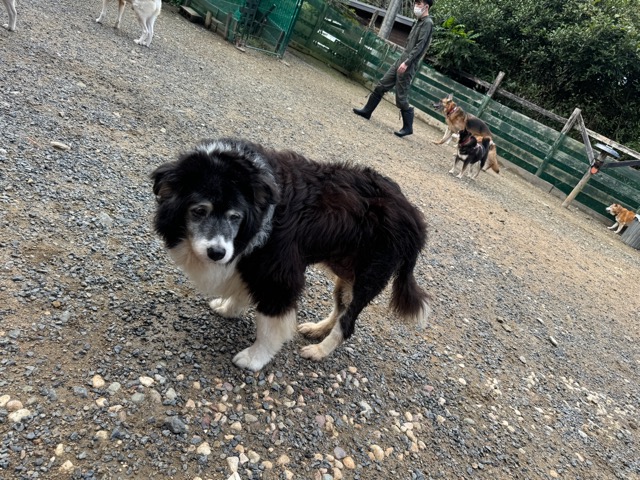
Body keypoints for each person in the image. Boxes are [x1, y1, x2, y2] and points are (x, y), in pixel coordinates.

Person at [353, 0, 434, 137]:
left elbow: (420, 46)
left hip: (408, 64)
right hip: (401, 60)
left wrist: (407, 62)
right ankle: (367, 111)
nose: (415, 6)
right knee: (381, 85)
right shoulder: (418, 21)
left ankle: (408, 127)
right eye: (415, 3)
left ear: (426, 6)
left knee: (401, 97)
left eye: (419, 4)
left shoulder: (428, 23)